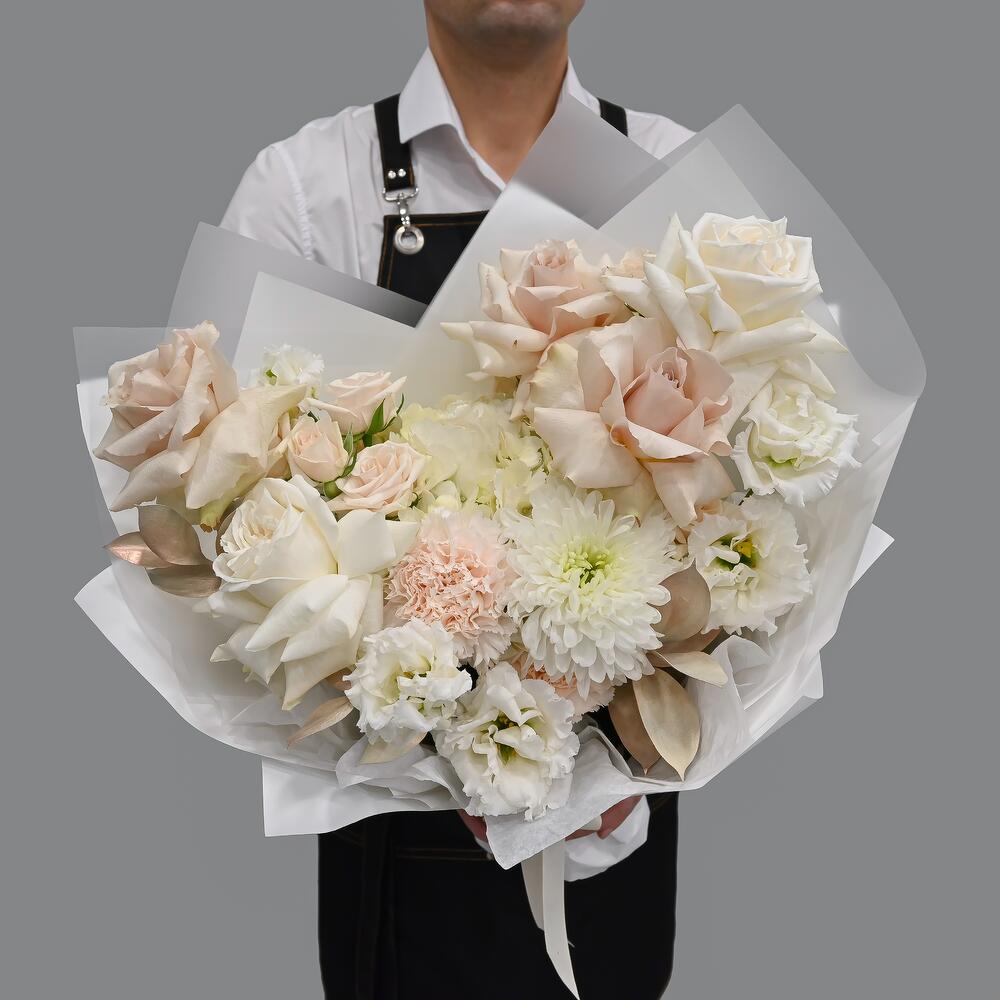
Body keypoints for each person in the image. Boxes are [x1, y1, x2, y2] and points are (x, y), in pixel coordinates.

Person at [222, 3, 693, 997]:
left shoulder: (674, 175)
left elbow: (746, 504)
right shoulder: (306, 190)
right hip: (397, 863)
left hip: (622, 834)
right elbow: (231, 510)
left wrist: (610, 765)